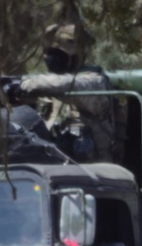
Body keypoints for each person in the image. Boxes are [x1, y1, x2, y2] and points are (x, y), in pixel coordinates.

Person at [21, 23, 127, 164]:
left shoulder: (94, 80)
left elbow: (69, 85)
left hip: (94, 169)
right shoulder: (50, 83)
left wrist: (26, 84)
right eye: (47, 52)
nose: (47, 57)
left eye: (55, 53)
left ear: (76, 55)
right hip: (56, 162)